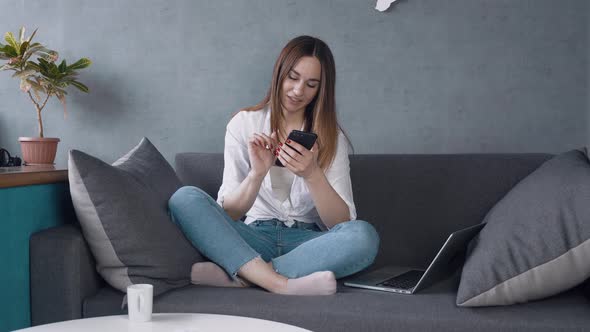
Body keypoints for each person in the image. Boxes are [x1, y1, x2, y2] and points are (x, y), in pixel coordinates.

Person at [168, 35, 379, 296]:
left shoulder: (332, 137)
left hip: (308, 245)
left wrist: (313, 175)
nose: (299, 91)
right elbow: (229, 214)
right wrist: (257, 174)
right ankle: (280, 283)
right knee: (184, 198)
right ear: (279, 73)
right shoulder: (243, 124)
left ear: (321, 90)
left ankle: (247, 276)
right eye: (293, 77)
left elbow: (341, 223)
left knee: (364, 236)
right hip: (252, 237)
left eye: (311, 84)